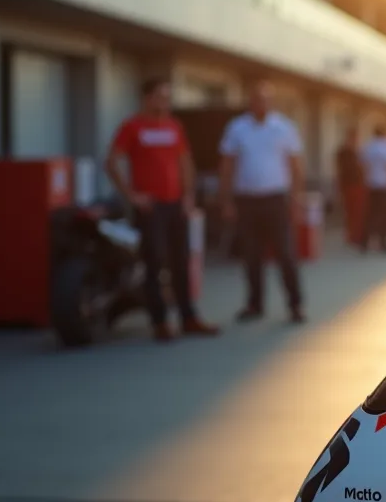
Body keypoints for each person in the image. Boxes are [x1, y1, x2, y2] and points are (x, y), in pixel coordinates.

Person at [105, 79, 220, 342]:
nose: (164, 103)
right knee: (154, 262)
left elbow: (185, 162)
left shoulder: (174, 126)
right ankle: (159, 322)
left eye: (168, 98)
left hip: (176, 204)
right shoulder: (131, 127)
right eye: (159, 97)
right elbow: (111, 162)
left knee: (181, 263)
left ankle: (188, 318)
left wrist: (189, 196)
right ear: (146, 99)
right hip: (151, 207)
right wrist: (132, 196)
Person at [218, 79, 306, 323]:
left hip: (276, 200)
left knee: (286, 254)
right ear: (250, 101)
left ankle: (295, 305)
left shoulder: (284, 128)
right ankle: (254, 304)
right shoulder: (237, 128)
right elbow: (227, 166)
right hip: (246, 201)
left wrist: (296, 200)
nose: (262, 103)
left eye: (266, 99)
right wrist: (226, 200)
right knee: (251, 256)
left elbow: (296, 167)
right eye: (257, 98)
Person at [360, 126, 386, 253]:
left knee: (370, 215)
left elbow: (363, 167)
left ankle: (364, 243)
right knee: (385, 215)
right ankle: (384, 244)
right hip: (385, 185)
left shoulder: (368, 147)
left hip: (371, 185)